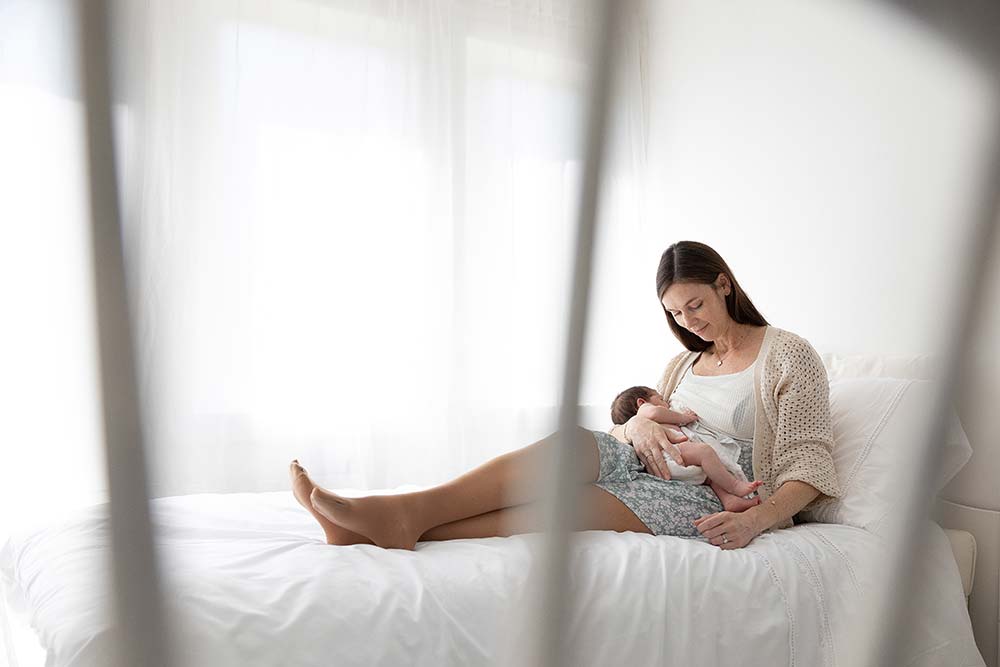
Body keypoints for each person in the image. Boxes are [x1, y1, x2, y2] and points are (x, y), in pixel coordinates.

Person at [290, 240, 840, 550]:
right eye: (675, 313)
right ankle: (403, 510)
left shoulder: (788, 354)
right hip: (654, 457)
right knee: (571, 445)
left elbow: (809, 464)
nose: (688, 322)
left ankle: (395, 528)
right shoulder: (682, 363)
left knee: (566, 505)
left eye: (695, 305)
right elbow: (647, 418)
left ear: (724, 283)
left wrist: (755, 518)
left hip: (715, 490)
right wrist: (638, 425)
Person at [610, 386, 763, 513]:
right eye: (661, 398)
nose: (667, 403)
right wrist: (684, 418)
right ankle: (735, 485)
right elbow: (655, 412)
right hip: (670, 456)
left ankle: (729, 501)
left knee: (711, 477)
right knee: (706, 452)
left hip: (670, 466)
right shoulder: (644, 412)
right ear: (641, 402)